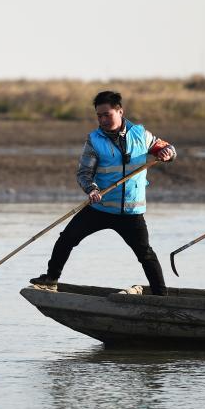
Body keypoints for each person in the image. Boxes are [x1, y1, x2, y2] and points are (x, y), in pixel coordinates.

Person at [30, 90, 176, 295]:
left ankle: (161, 297)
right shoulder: (94, 140)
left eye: (107, 114)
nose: (103, 120)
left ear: (120, 111)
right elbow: (84, 173)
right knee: (67, 239)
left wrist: (167, 153)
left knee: (145, 254)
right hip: (100, 207)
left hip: (131, 213)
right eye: (99, 116)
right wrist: (91, 189)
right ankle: (51, 279)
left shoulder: (141, 134)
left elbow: (166, 148)